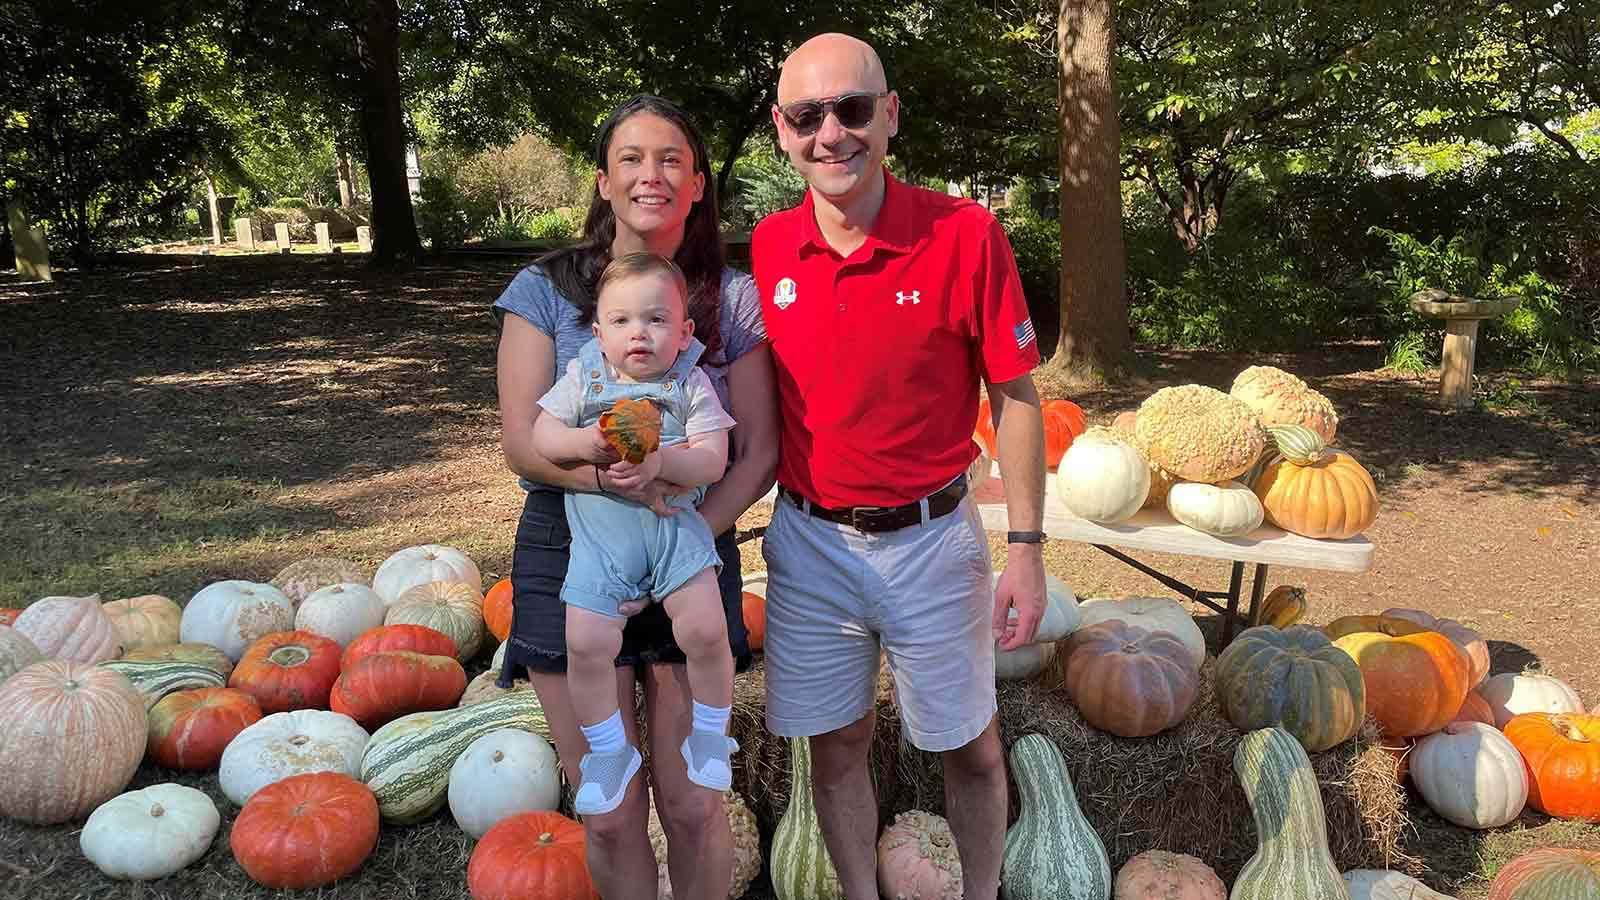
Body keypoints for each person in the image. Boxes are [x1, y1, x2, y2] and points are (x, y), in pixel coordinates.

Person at [750, 33, 1049, 900]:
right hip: (810, 547)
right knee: (835, 748)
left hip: (933, 540)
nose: (831, 133)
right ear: (781, 130)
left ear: (889, 116)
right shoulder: (768, 251)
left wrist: (1025, 546)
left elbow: (1017, 394)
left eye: (851, 109)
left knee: (971, 748)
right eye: (808, 116)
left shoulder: (965, 234)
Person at [493, 95, 778, 900]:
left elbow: (756, 452)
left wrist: (683, 538)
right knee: (611, 812)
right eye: (631, 159)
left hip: (689, 533)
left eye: (670, 160)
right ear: (603, 181)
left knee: (693, 803)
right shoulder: (545, 290)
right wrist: (610, 483)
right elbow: (523, 441)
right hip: (571, 542)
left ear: (697, 184)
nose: (650, 175)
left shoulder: (734, 297)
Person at [530, 251, 739, 816]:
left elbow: (713, 461)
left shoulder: (690, 384)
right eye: (621, 321)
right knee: (585, 644)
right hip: (602, 543)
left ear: (684, 331)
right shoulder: (584, 377)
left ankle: (712, 732)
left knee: (704, 628)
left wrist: (660, 465)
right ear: (598, 333)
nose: (638, 333)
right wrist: (584, 448)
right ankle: (608, 751)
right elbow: (542, 436)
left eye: (656, 319)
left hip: (674, 534)